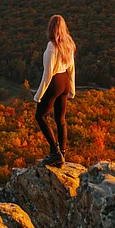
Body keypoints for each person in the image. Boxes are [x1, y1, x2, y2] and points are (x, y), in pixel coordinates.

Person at [32, 14, 76, 167]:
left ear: (50, 28)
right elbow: (71, 68)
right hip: (64, 82)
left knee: (40, 116)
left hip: (55, 82)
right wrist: (72, 89)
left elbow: (48, 74)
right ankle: (62, 153)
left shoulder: (52, 46)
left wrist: (38, 95)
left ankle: (55, 152)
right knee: (60, 119)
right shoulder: (68, 43)